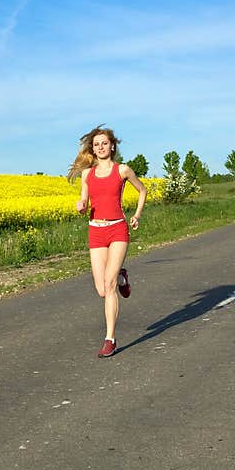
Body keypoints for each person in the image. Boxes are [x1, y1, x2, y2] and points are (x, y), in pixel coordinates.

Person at [67, 125, 147, 358]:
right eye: (96, 145)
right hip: (96, 231)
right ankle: (123, 276)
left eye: (104, 143)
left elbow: (142, 191)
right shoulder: (87, 175)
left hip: (117, 229)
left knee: (109, 285)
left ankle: (109, 339)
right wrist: (81, 206)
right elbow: (84, 201)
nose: (100, 147)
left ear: (112, 146)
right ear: (92, 149)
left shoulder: (122, 170)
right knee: (102, 289)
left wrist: (137, 215)